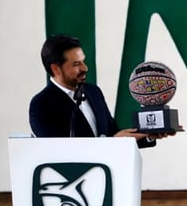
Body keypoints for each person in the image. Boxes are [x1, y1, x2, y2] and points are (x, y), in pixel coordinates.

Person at [29, 34, 174, 148]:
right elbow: (58, 151)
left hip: (108, 179)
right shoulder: (41, 105)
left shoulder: (93, 92)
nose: (85, 68)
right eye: (76, 64)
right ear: (55, 68)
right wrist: (111, 142)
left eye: (83, 61)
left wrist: (148, 135)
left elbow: (113, 134)